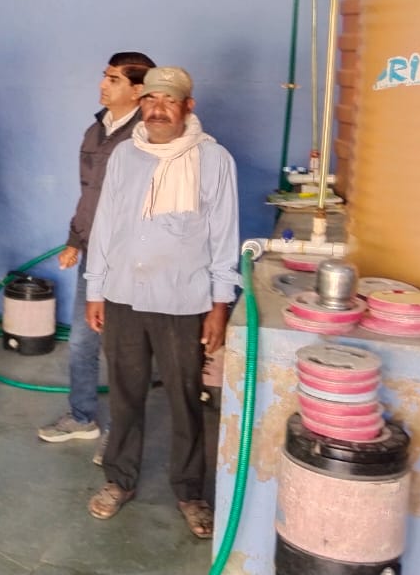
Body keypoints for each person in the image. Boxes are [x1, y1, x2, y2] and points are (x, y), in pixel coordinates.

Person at [82, 66, 239, 540]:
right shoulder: (125, 156)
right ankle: (120, 479)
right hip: (124, 294)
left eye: (169, 100)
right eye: (151, 100)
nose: (158, 109)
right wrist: (95, 289)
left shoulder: (213, 160)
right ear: (141, 104)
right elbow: (105, 225)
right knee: (125, 393)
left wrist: (219, 305)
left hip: (183, 299)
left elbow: (224, 235)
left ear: (188, 106)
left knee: (185, 398)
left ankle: (190, 492)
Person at [39, 52, 155, 467]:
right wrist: (75, 240)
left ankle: (121, 435)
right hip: (94, 256)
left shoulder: (147, 136)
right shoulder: (96, 131)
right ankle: (82, 416)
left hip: (131, 260)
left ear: (138, 90)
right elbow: (89, 194)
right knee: (82, 342)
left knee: (124, 350)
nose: (103, 85)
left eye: (114, 79)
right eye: (104, 77)